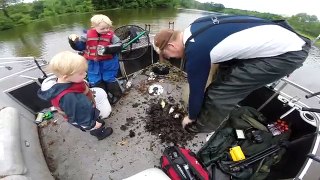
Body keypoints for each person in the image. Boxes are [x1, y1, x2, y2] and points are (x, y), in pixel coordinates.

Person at [153, 15, 311, 133]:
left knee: (221, 92)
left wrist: (192, 116)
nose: (172, 59)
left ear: (172, 45)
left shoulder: (196, 51)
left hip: (286, 54)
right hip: (287, 38)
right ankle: (209, 115)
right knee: (224, 72)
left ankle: (202, 127)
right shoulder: (196, 25)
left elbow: (196, 91)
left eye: (167, 56)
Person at [38, 51, 113, 140]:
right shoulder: (69, 97)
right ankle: (99, 133)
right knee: (95, 125)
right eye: (81, 73)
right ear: (66, 77)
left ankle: (96, 122)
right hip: (84, 117)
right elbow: (80, 115)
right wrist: (92, 124)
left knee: (94, 118)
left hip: (86, 106)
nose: (85, 74)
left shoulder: (67, 80)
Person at [68, 14, 122, 104]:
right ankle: (105, 96)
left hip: (108, 63)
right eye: (103, 28)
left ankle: (117, 94)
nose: (106, 30)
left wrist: (108, 49)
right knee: (95, 80)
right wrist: (74, 42)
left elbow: (119, 45)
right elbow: (80, 47)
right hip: (93, 64)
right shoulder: (86, 36)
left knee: (109, 78)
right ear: (94, 26)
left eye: (107, 28)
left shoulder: (111, 36)